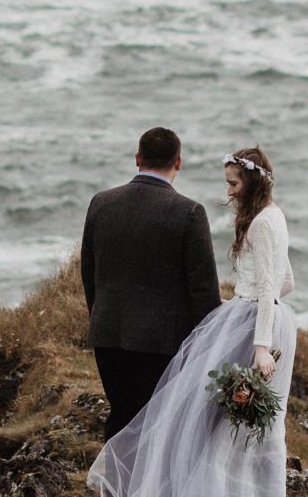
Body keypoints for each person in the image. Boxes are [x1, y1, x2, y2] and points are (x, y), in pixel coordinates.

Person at [85, 143, 308, 497]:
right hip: (268, 318)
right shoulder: (274, 216)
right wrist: (248, 302)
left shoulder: (261, 223)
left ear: (251, 180)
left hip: (257, 327)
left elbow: (268, 287)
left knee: (227, 424)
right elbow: (287, 281)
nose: (228, 191)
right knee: (254, 425)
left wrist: (259, 342)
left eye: (232, 183)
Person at [80, 126, 222, 444]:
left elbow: (89, 273)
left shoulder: (100, 203)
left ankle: (113, 492)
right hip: (163, 342)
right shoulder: (189, 212)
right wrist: (208, 346)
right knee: (159, 425)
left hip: (108, 333)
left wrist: (101, 317)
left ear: (137, 158)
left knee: (122, 416)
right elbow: (204, 292)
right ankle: (150, 494)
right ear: (179, 162)